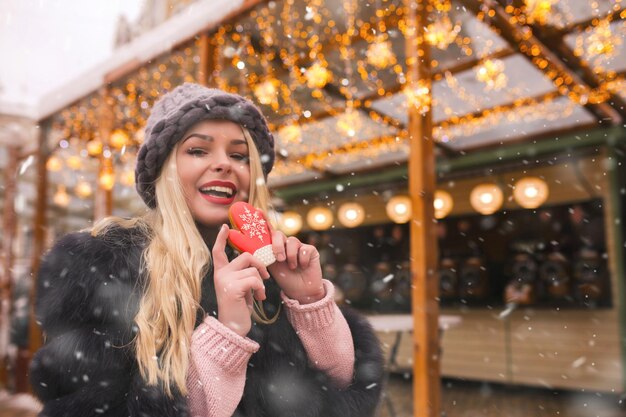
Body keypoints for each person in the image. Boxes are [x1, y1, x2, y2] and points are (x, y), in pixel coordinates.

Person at [30, 84, 384, 417]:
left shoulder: (273, 269)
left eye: (239, 155)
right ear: (165, 169)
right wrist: (226, 330)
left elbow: (341, 389)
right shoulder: (103, 265)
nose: (224, 164)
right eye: (198, 150)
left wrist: (309, 302)